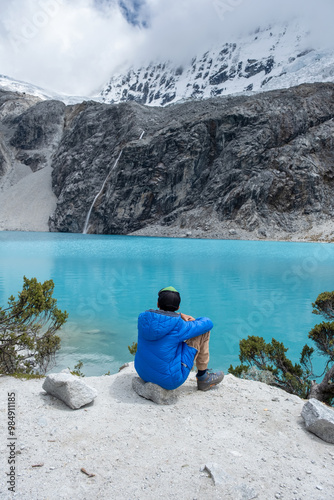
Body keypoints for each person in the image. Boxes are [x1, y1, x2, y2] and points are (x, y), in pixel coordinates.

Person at [134, 286, 224, 391]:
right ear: (178, 307)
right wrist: (183, 317)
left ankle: (203, 377)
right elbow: (208, 323)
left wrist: (178, 315)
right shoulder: (179, 325)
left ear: (158, 304)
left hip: (142, 372)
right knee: (203, 332)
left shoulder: (142, 318)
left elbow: (161, 319)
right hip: (168, 380)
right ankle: (203, 378)